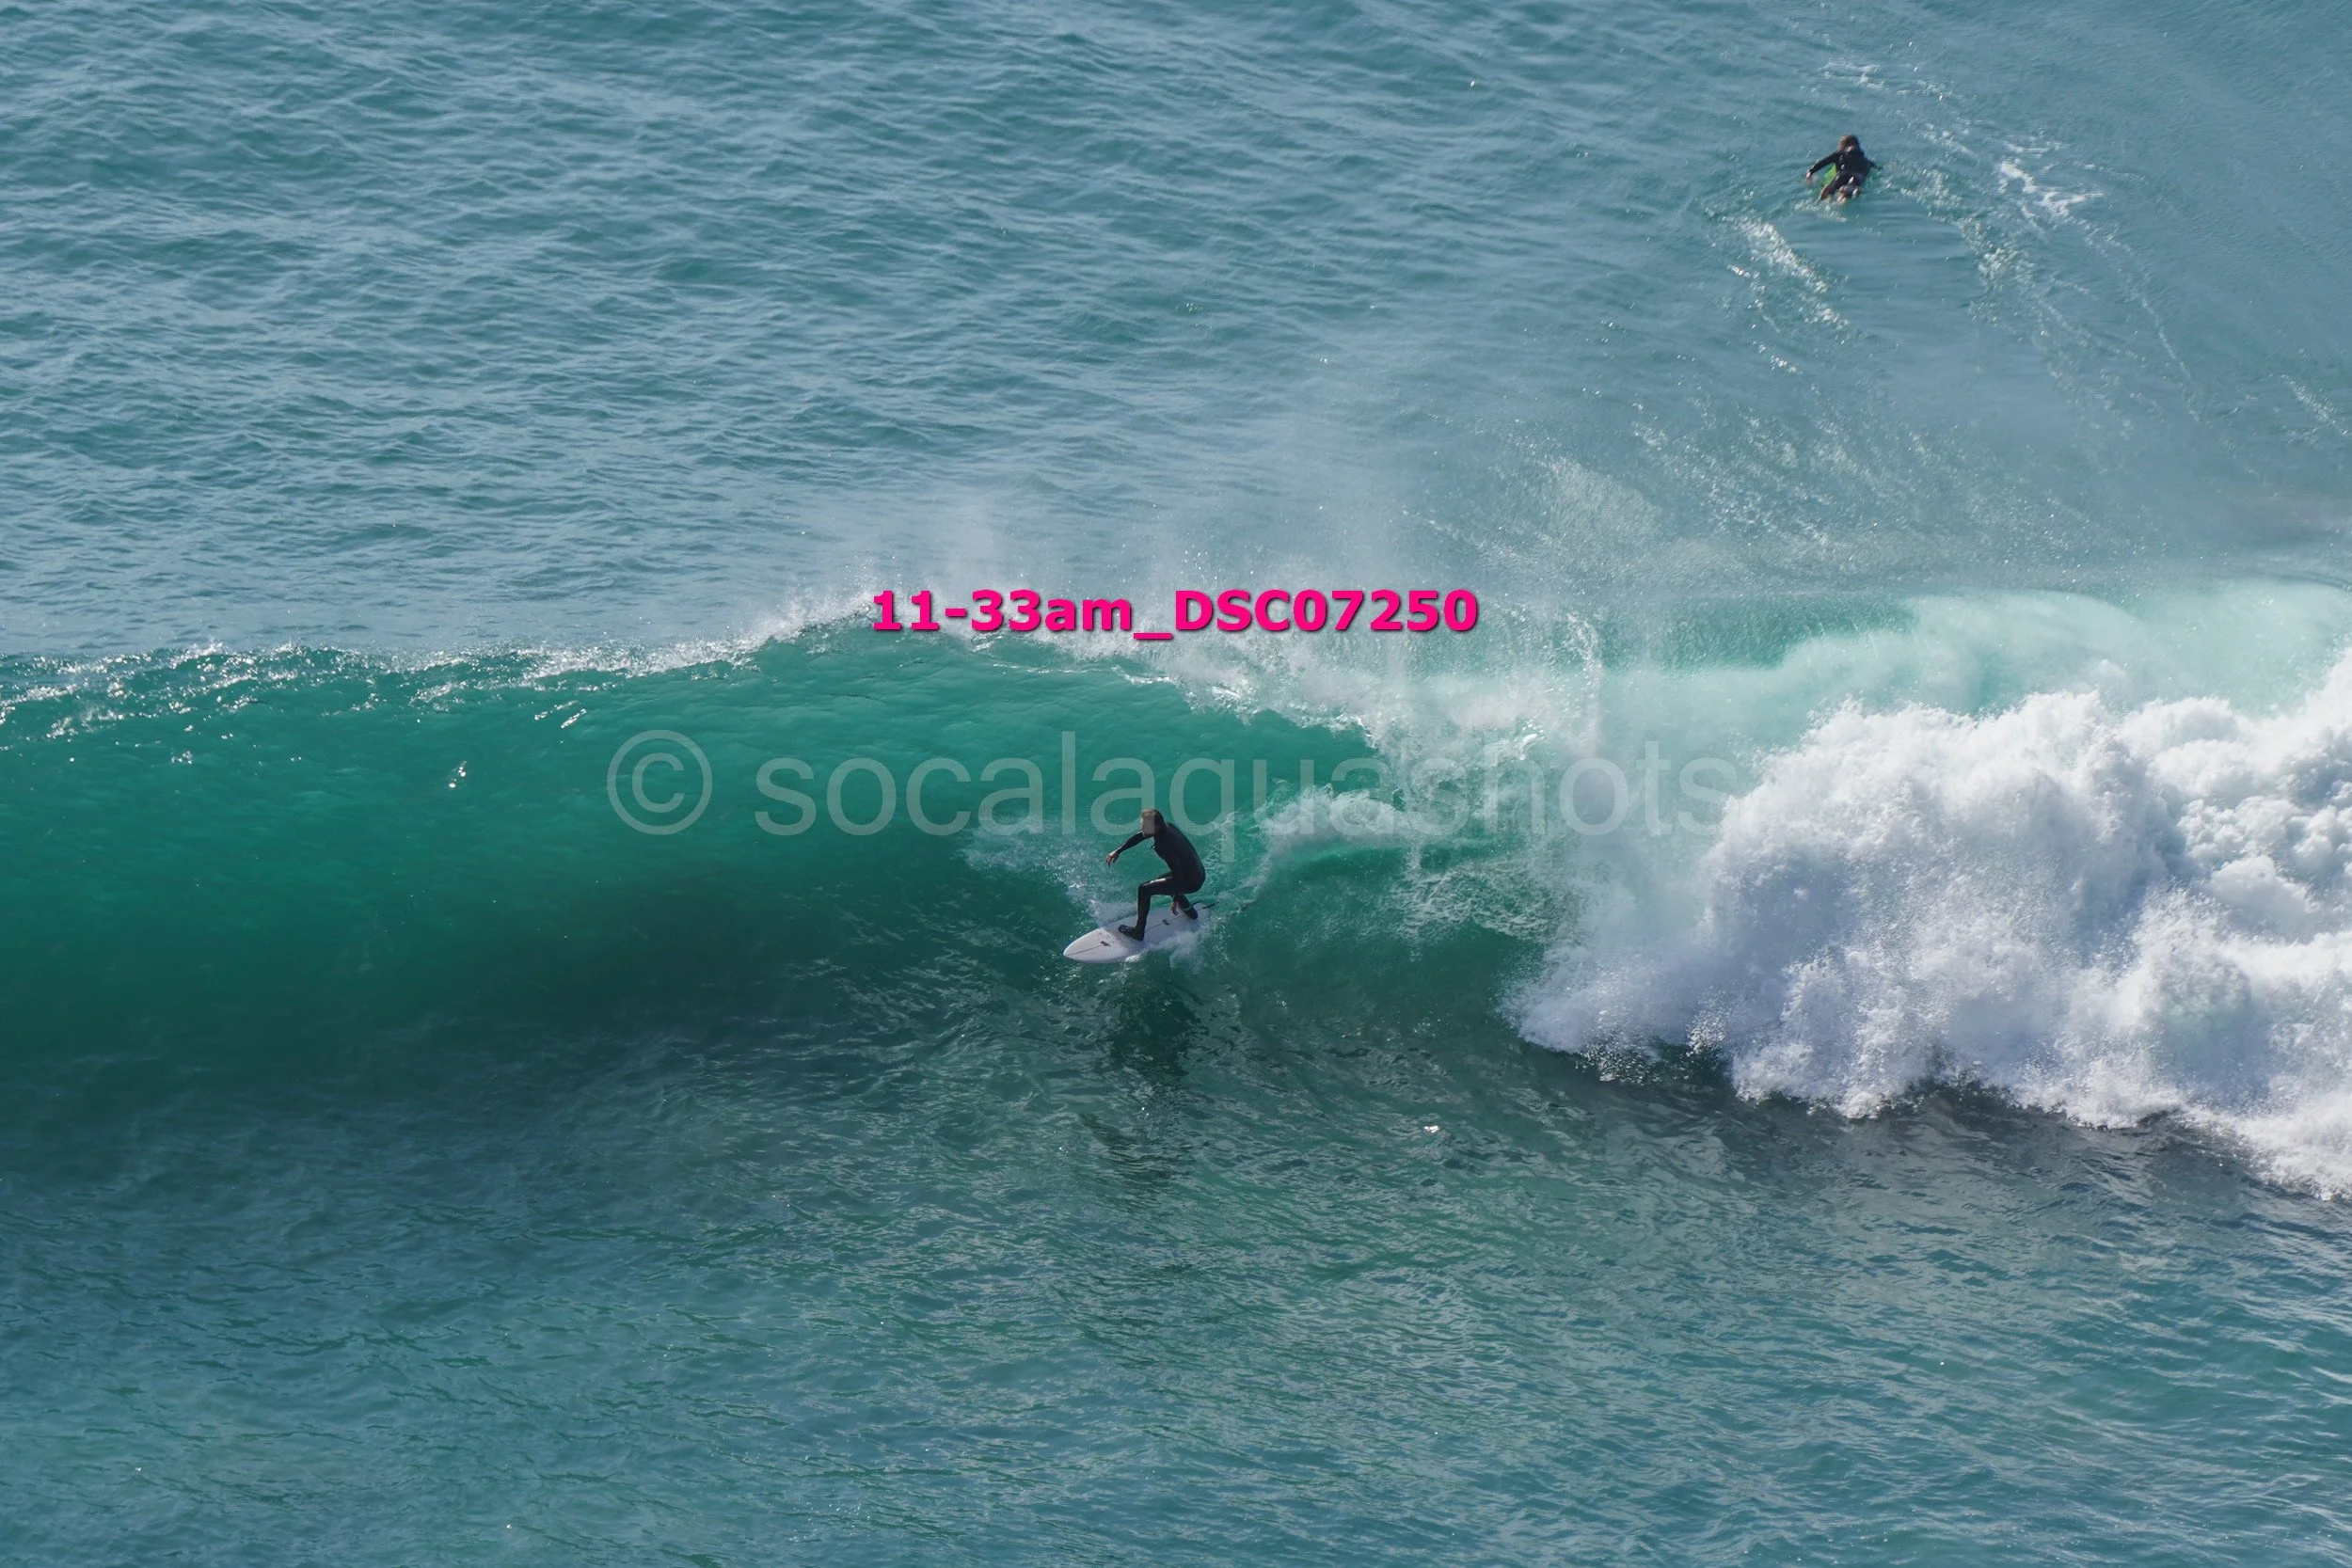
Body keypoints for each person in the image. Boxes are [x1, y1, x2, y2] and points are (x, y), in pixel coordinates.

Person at [1105, 807, 1203, 940]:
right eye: (1142, 824)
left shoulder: (1165, 844)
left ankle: (1138, 932)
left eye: (1145, 826)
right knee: (1162, 880)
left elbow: (1177, 872)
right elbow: (1140, 836)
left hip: (1190, 880)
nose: (1142, 828)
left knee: (1144, 889)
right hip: (1197, 872)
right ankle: (1190, 912)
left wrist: (1175, 898)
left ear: (1155, 827)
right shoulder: (1166, 826)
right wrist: (1118, 850)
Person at [1808, 135, 1874, 202]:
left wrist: (1811, 171)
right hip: (1856, 177)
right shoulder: (1867, 160)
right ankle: (1849, 192)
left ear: (1842, 146)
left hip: (1842, 175)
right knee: (1849, 190)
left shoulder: (1840, 154)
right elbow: (1877, 169)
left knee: (1833, 190)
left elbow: (1824, 162)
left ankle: (1829, 189)